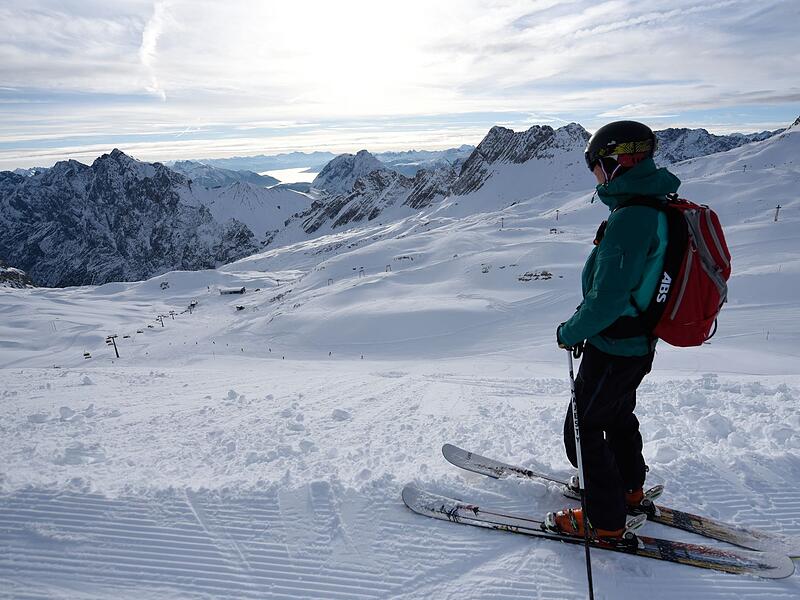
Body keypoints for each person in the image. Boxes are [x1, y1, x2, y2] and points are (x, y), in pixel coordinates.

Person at [545, 120, 681, 540]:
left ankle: (605, 521)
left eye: (595, 168)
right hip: (636, 341)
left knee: (583, 430)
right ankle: (628, 490)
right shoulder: (655, 205)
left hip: (615, 343)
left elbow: (608, 298)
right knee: (618, 416)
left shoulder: (631, 218)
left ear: (614, 163)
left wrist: (570, 331)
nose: (596, 178)